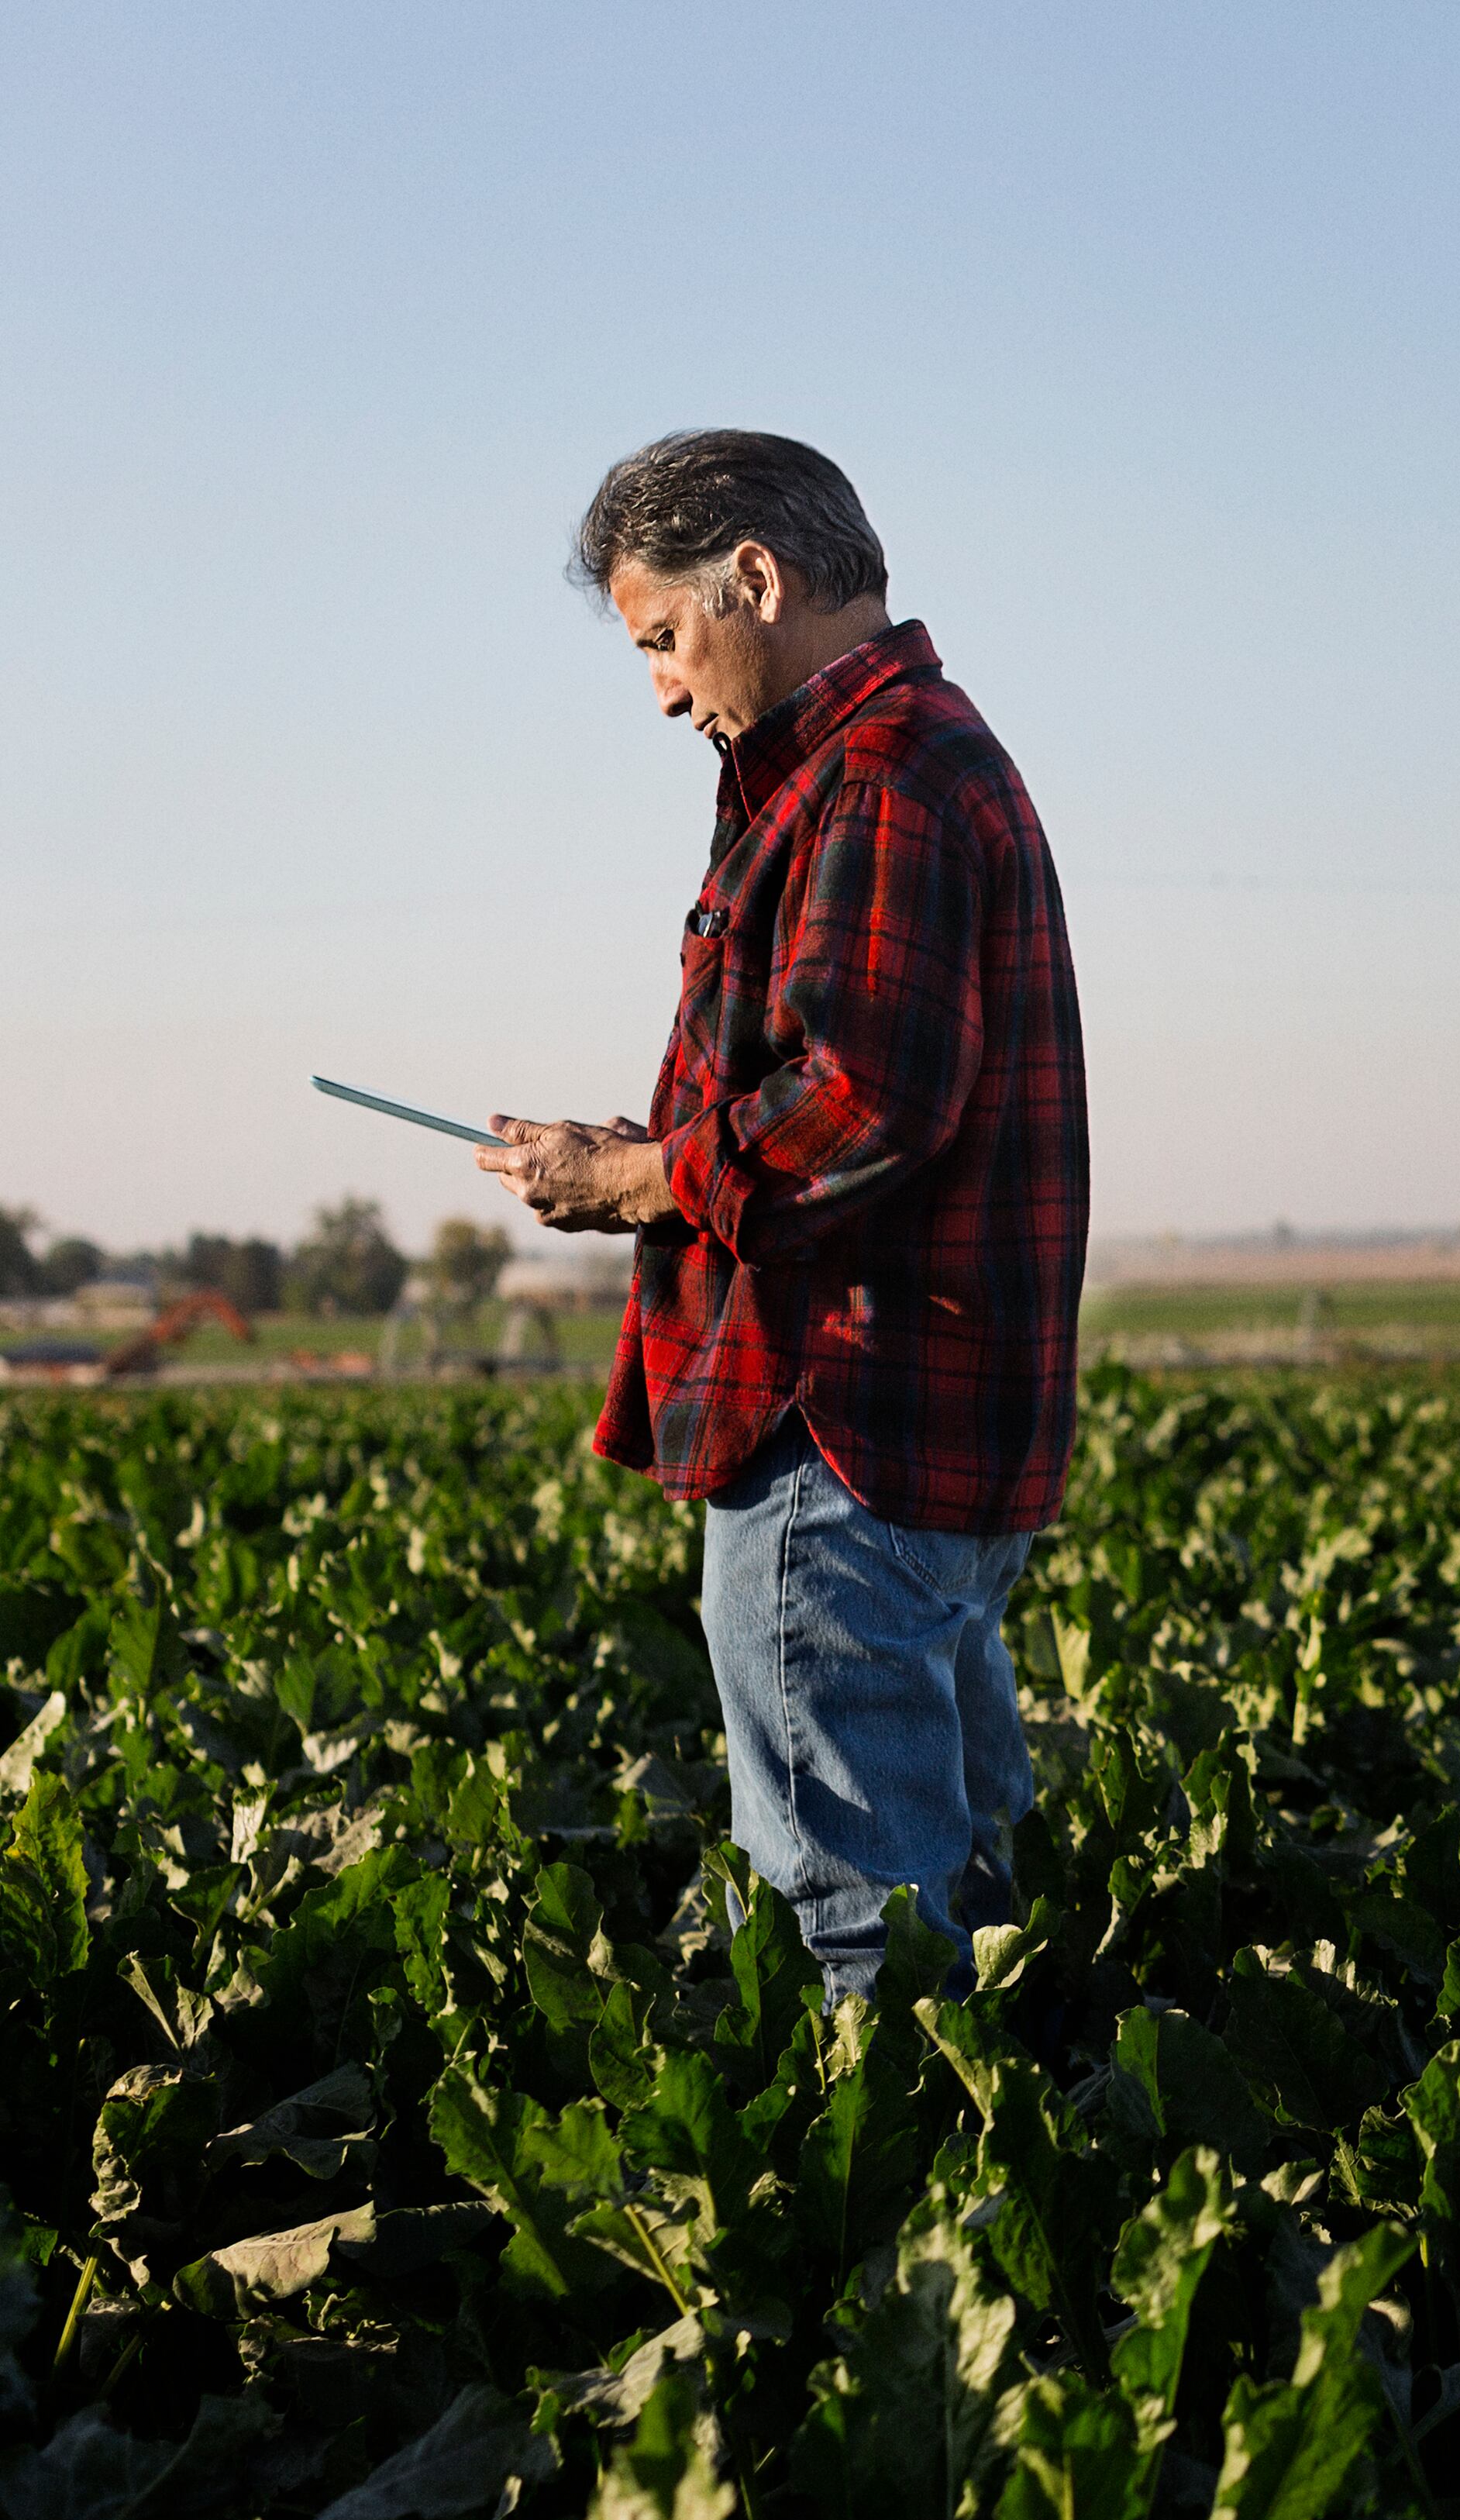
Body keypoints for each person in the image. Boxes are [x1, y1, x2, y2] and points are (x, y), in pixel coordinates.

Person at [480, 430, 1090, 1997]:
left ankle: (897, 2218)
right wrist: (663, 1145)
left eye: (663, 641)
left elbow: (858, 1106)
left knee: (861, 1918)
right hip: (930, 1432)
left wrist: (629, 1177)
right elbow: (845, 1085)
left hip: (842, 1420)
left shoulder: (878, 773)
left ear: (755, 576)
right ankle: (1012, 2171)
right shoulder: (913, 756)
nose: (666, 692)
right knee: (960, 1880)